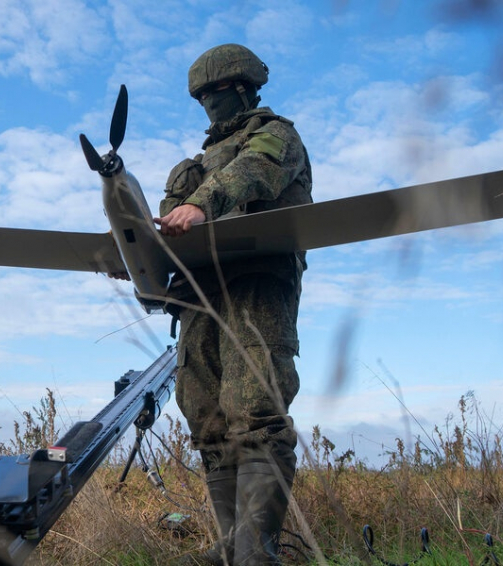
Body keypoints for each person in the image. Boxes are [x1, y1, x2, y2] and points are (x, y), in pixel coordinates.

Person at [153, 44, 312, 565]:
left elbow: (256, 171)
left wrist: (202, 204)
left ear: (243, 87)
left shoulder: (275, 136)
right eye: (201, 95)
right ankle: (231, 551)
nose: (209, 102)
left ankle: (254, 556)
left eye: (216, 91)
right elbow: (168, 229)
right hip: (199, 294)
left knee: (255, 412)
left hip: (256, 283)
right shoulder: (192, 168)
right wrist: (135, 257)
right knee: (208, 420)